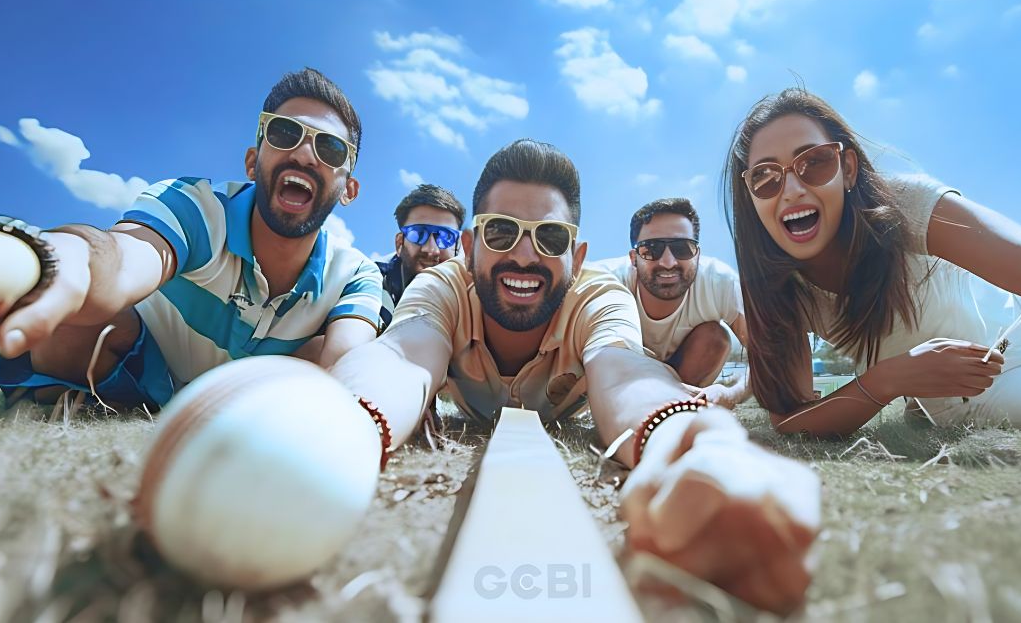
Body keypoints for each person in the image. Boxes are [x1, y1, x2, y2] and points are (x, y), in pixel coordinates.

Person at [330, 139, 821, 615]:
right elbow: (400, 354)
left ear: (577, 256)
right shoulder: (443, 285)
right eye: (501, 233)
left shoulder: (599, 296)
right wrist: (338, 421)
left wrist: (687, 440)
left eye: (550, 238)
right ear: (469, 245)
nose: (524, 257)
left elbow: (625, 371)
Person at [0, 68, 383, 408]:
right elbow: (123, 258)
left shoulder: (355, 272)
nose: (304, 153)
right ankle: (83, 402)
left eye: (330, 148)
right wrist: (48, 259)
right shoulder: (194, 206)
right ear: (253, 161)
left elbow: (348, 358)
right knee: (77, 321)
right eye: (284, 133)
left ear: (349, 189)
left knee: (325, 356)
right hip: (137, 368)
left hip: (249, 402)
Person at [724, 88, 1021, 434]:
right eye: (766, 176)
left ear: (847, 169)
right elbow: (791, 419)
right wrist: (888, 380)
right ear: (750, 195)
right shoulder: (778, 287)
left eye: (814, 162)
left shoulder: (905, 205)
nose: (791, 188)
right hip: (974, 395)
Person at [590, 197, 750, 408]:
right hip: (624, 374)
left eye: (682, 248)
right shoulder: (606, 281)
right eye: (651, 249)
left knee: (715, 338)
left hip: (682, 373)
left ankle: (677, 402)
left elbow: (767, 354)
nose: (668, 263)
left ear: (697, 255)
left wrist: (731, 393)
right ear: (633, 258)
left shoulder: (721, 282)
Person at [376, 184, 464, 328]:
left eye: (445, 237)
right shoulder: (372, 281)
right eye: (418, 234)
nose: (431, 250)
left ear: (457, 247)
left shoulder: (472, 293)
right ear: (399, 244)